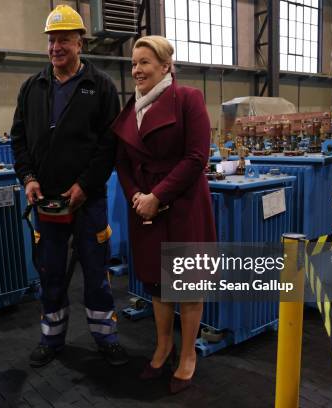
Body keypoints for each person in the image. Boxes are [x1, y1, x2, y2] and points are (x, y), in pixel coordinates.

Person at [11, 5, 128, 368]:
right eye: (51, 40)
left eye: (64, 39)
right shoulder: (32, 87)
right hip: (46, 202)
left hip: (87, 201)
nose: (56, 46)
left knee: (96, 271)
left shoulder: (101, 86)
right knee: (50, 273)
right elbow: (18, 139)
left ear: (80, 42)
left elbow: (109, 144)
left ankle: (105, 337)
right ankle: (51, 338)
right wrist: (28, 178)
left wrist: (83, 186)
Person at [111, 36, 216, 394]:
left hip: (182, 206)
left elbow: (197, 157)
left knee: (186, 286)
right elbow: (122, 162)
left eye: (144, 62)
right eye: (133, 64)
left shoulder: (188, 99)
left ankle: (187, 354)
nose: (137, 70)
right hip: (146, 207)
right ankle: (163, 345)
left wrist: (158, 195)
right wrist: (136, 196)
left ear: (166, 66)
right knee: (157, 283)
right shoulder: (131, 108)